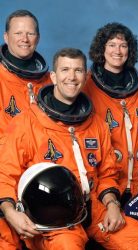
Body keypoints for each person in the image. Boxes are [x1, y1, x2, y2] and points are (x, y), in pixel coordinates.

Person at [0, 48, 138, 250]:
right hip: (53, 218)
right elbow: (5, 174)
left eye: (78, 70)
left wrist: (112, 204)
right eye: (65, 70)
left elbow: (107, 173)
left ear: (85, 76)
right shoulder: (27, 123)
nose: (72, 77)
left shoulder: (96, 124)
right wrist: (10, 212)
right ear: (53, 76)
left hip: (94, 209)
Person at [84, 22, 138, 207]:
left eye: (123, 45)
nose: (118, 50)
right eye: (112, 45)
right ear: (102, 48)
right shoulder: (86, 86)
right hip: (104, 187)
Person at [0, 9, 51, 249]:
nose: (25, 38)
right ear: (6, 37)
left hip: (40, 176)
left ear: (38, 38)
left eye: (30, 33)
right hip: (5, 172)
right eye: (18, 33)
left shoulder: (49, 83)